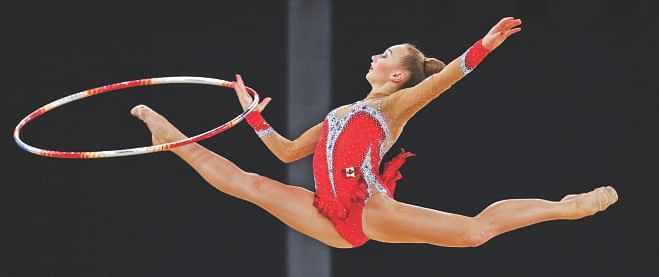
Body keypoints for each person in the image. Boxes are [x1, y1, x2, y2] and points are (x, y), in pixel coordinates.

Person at [130, 17, 618, 249]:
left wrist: (483, 46)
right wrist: (253, 115)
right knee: (252, 185)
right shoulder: (342, 113)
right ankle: (167, 135)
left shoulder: (396, 106)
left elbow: (446, 79)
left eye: (384, 55)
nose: (374, 57)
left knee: (475, 231)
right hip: (327, 214)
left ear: (400, 76)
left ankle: (562, 207)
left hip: (368, 209)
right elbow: (285, 152)